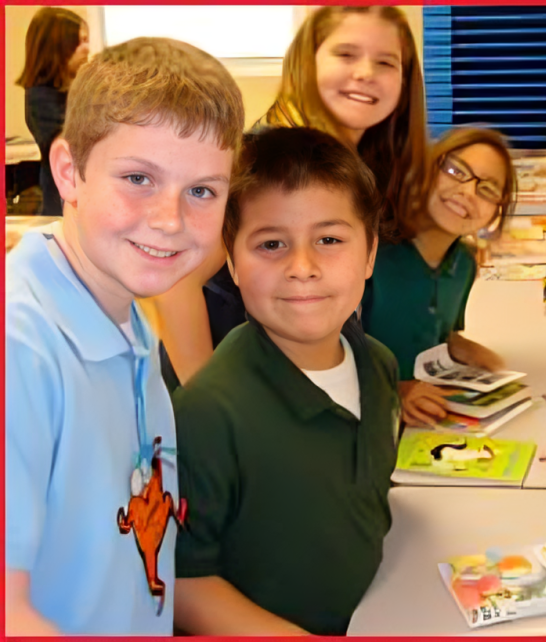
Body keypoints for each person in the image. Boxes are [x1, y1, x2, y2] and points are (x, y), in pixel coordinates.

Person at [5, 37, 244, 635]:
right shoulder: (21, 349)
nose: (170, 219)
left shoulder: (125, 314)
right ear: (69, 172)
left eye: (202, 191)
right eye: (139, 177)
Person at [172, 127, 400, 636]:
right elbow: (182, 581)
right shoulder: (208, 414)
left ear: (369, 254)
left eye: (330, 240)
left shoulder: (380, 367)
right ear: (231, 261)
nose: (303, 268)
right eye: (272, 243)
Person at [150, 5, 427, 391]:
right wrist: (209, 403)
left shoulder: (359, 164)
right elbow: (174, 282)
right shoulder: (258, 161)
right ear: (307, 62)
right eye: (346, 54)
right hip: (231, 394)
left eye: (386, 62)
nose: (365, 73)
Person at [361, 127, 518, 426]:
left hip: (424, 423)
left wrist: (471, 352)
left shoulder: (464, 265)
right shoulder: (369, 255)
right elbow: (322, 354)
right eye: (455, 171)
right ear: (426, 171)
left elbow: (438, 334)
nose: (468, 192)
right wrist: (396, 389)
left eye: (487, 189)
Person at [16, 7, 90, 216]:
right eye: (82, 41)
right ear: (60, 48)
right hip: (62, 205)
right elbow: (81, 142)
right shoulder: (42, 99)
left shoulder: (69, 92)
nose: (88, 48)